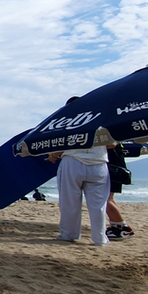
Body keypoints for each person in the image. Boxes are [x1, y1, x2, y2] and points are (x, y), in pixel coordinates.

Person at [47, 97, 109, 246]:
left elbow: (61, 144)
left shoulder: (66, 121)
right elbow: (111, 144)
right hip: (98, 163)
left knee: (69, 202)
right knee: (98, 205)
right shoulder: (101, 119)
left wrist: (54, 156)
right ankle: (100, 239)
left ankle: (69, 234)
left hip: (72, 162)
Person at [105, 143, 134, 240]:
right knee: (108, 198)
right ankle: (117, 225)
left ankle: (121, 226)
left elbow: (111, 144)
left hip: (112, 167)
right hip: (115, 166)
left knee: (105, 199)